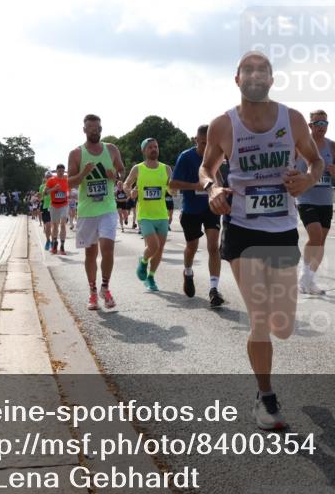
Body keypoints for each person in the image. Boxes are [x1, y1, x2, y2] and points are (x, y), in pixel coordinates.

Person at [200, 51, 322, 430]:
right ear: (237, 79)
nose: (255, 75)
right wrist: (211, 188)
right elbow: (207, 168)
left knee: (282, 325)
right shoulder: (224, 125)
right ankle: (266, 398)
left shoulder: (293, 120)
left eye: (263, 70)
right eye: (248, 69)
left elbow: (315, 162)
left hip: (282, 229)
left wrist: (308, 179)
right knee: (259, 318)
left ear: (271, 80)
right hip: (241, 229)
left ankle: (266, 373)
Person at [68, 115, 124, 310]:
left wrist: (115, 175)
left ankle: (105, 288)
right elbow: (69, 183)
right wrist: (83, 174)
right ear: (84, 129)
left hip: (107, 208)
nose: (94, 130)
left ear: (101, 129)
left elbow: (121, 171)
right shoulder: (76, 154)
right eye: (90, 127)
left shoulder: (111, 149)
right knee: (91, 254)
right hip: (87, 211)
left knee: (108, 249)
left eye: (97, 127)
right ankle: (92, 292)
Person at [169, 125, 226, 307]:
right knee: (192, 247)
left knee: (213, 247)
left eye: (210, 143)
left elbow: (220, 180)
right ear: (195, 140)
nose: (206, 147)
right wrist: (195, 186)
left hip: (210, 208)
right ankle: (187, 272)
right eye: (203, 143)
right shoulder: (186, 157)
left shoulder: (215, 155)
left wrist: (219, 190)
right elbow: (173, 183)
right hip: (191, 209)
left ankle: (214, 289)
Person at [295, 110, 335, 295]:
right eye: (318, 123)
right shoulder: (299, 144)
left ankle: (310, 280)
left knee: (321, 241)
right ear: (310, 125)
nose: (321, 127)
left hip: (325, 199)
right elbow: (286, 166)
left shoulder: (332, 146)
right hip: (305, 197)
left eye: (325, 123)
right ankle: (303, 278)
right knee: (315, 236)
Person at [124, 138, 173, 292]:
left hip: (162, 214)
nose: (154, 149)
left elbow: (171, 188)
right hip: (145, 215)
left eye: (156, 147)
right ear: (144, 151)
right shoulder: (138, 169)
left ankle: (151, 276)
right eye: (150, 147)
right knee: (153, 246)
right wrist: (130, 191)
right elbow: (126, 184)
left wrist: (174, 190)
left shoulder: (166, 169)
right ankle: (144, 261)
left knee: (159, 249)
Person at [46, 164, 72, 255]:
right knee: (55, 226)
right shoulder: (51, 180)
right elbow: (45, 192)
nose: (61, 172)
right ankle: (54, 243)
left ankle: (62, 246)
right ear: (56, 171)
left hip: (64, 205)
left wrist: (70, 195)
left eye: (62, 171)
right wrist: (54, 189)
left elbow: (70, 192)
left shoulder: (66, 181)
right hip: (54, 206)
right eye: (59, 171)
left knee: (63, 225)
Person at [39, 172, 54, 250]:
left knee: (53, 226)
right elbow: (41, 198)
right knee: (48, 226)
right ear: (45, 178)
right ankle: (48, 240)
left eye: (50, 177)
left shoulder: (55, 184)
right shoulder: (42, 186)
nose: (48, 178)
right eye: (47, 177)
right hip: (46, 207)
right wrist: (38, 197)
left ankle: (53, 241)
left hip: (55, 207)